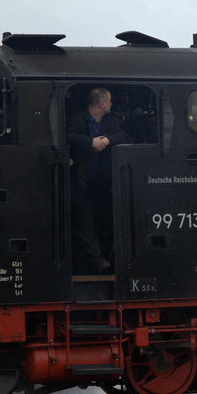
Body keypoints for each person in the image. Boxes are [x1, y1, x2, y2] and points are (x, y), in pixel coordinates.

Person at [66, 87, 130, 274]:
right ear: (102, 103)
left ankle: (105, 260)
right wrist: (90, 143)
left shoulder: (109, 120)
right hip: (81, 180)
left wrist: (106, 141)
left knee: (102, 220)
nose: (111, 104)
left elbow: (121, 135)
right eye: (109, 101)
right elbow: (68, 136)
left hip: (102, 182)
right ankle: (96, 262)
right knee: (85, 223)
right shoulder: (77, 119)